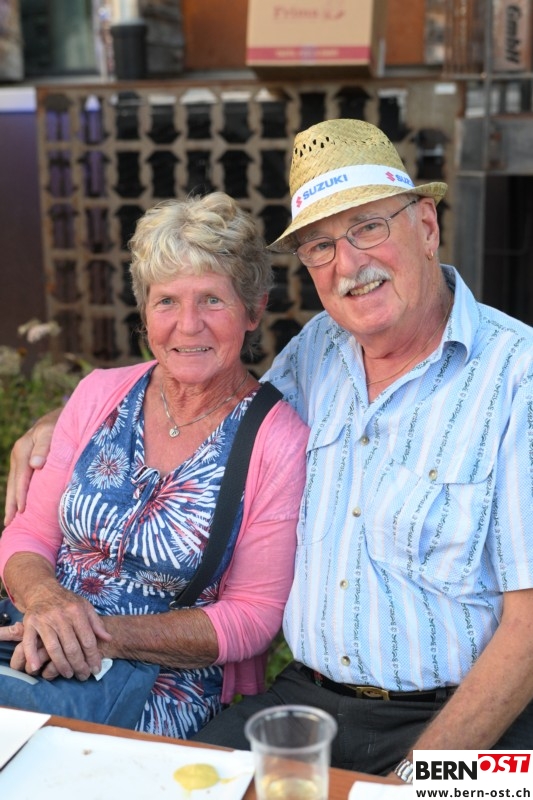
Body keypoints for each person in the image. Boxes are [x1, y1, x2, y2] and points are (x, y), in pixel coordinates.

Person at [5, 119, 533, 778]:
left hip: (473, 719)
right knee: (185, 789)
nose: (348, 264)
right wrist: (62, 421)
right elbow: (215, 395)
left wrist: (416, 779)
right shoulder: (319, 351)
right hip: (310, 700)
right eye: (320, 245)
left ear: (425, 226)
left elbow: (528, 626)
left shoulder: (517, 379)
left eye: (368, 227)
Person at [0, 191, 308, 739]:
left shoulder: (278, 440)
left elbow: (253, 615)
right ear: (144, 311)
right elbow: (28, 534)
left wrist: (93, 635)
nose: (188, 325)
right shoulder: (99, 394)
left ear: (254, 309)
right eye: (166, 301)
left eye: (212, 300)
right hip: (33, 646)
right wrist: (46, 602)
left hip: (161, 688)